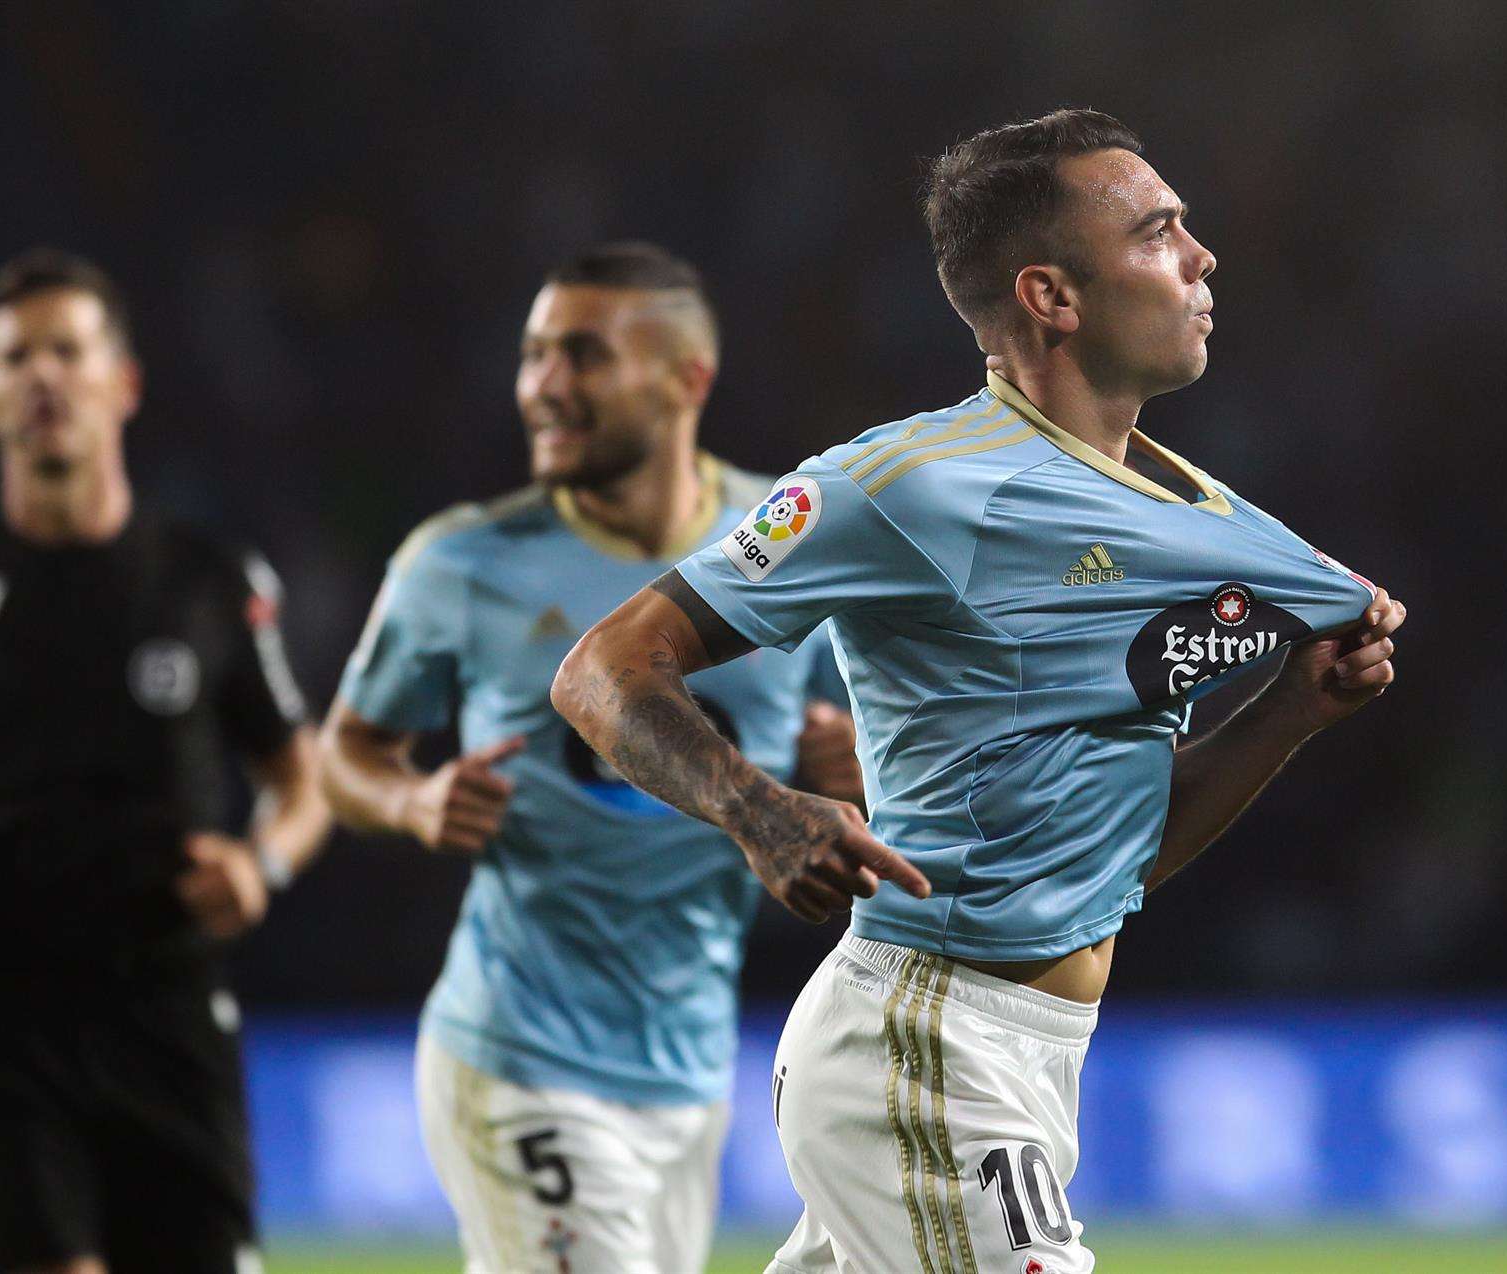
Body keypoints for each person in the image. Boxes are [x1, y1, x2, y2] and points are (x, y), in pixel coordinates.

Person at [552, 110, 1410, 1272]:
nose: (1202, 258)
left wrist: (1290, 711)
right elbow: (604, 668)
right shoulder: (908, 486)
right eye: (1160, 233)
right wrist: (757, 808)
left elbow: (1113, 865)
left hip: (1027, 1046)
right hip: (924, 1041)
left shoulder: (1173, 510)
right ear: (1052, 296)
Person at [319, 241, 861, 1274]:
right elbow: (344, 751)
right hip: (517, 1047)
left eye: (582, 355)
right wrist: (410, 797)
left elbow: (880, 746)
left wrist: (855, 770)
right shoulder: (461, 561)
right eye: (532, 356)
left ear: (686, 378)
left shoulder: (781, 546)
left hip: (689, 1064)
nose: (543, 387)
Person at [0, 249, 331, 1274]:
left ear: (123, 381)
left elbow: (302, 781)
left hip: (166, 1011)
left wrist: (264, 864)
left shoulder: (205, 580)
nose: (43, 376)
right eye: (14, 357)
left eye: (68, 350)